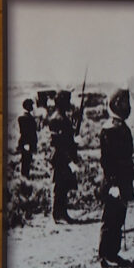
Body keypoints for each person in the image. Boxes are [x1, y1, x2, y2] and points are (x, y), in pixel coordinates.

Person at [98, 88, 134, 268]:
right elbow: (107, 161)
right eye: (124, 103)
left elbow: (127, 158)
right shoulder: (109, 130)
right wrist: (113, 184)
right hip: (114, 182)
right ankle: (105, 254)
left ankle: (114, 252)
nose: (127, 106)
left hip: (124, 180)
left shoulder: (122, 127)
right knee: (110, 218)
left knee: (119, 217)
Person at [48, 90, 81, 223]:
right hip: (61, 157)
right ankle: (58, 214)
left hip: (64, 156)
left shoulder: (62, 117)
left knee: (64, 185)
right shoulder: (57, 118)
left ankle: (63, 213)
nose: (69, 103)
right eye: (67, 100)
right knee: (60, 186)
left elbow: (67, 138)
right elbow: (60, 143)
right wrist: (69, 160)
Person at [16, 98, 38, 178]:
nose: (32, 107)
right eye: (31, 105)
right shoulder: (29, 118)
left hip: (24, 141)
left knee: (25, 159)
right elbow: (32, 132)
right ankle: (25, 176)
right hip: (28, 142)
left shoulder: (21, 117)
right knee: (27, 160)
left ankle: (24, 176)